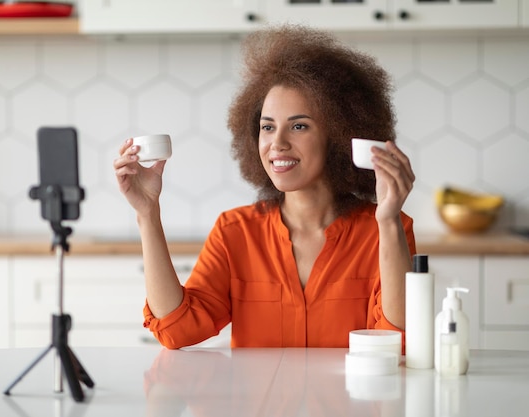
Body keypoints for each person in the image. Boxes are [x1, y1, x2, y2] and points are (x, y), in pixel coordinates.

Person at [114, 24, 416, 349]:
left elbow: (396, 341)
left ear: (339, 136)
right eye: (267, 127)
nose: (277, 143)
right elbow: (178, 329)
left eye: (299, 126)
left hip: (352, 401)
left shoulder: (387, 229)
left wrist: (387, 220)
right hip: (257, 401)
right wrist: (148, 213)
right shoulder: (235, 232)